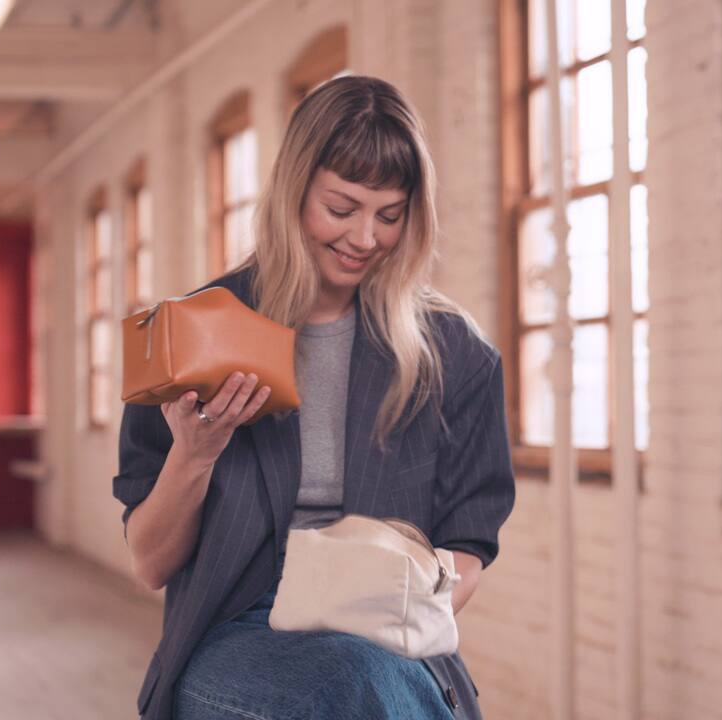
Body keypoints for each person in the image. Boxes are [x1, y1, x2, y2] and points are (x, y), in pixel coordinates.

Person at [113, 74, 516, 720]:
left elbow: (465, 550)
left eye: (389, 215)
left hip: (392, 634)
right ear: (292, 191)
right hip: (237, 637)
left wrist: (387, 616)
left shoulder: (456, 357)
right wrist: (194, 454)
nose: (365, 238)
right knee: (353, 684)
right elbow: (151, 563)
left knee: (365, 676)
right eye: (341, 208)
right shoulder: (188, 339)